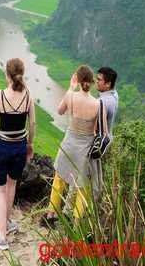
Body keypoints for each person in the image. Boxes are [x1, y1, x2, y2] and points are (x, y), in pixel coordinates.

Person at [0, 58, 36, 250]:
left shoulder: (0, 95)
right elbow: (32, 124)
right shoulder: (28, 95)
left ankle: (1, 236)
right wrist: (30, 144)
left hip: (2, 145)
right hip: (20, 146)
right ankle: (7, 222)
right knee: (12, 184)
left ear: (7, 74)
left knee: (0, 190)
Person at [47, 65, 107, 220]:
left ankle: (51, 214)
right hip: (85, 149)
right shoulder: (98, 104)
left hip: (68, 144)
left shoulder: (71, 96)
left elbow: (60, 110)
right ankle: (76, 222)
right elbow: (103, 132)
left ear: (78, 80)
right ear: (91, 82)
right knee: (82, 186)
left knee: (59, 178)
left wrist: (70, 88)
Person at [96, 67, 119, 140]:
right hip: (108, 138)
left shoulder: (102, 102)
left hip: (100, 141)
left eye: (99, 80)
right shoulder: (114, 95)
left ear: (108, 84)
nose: (96, 81)